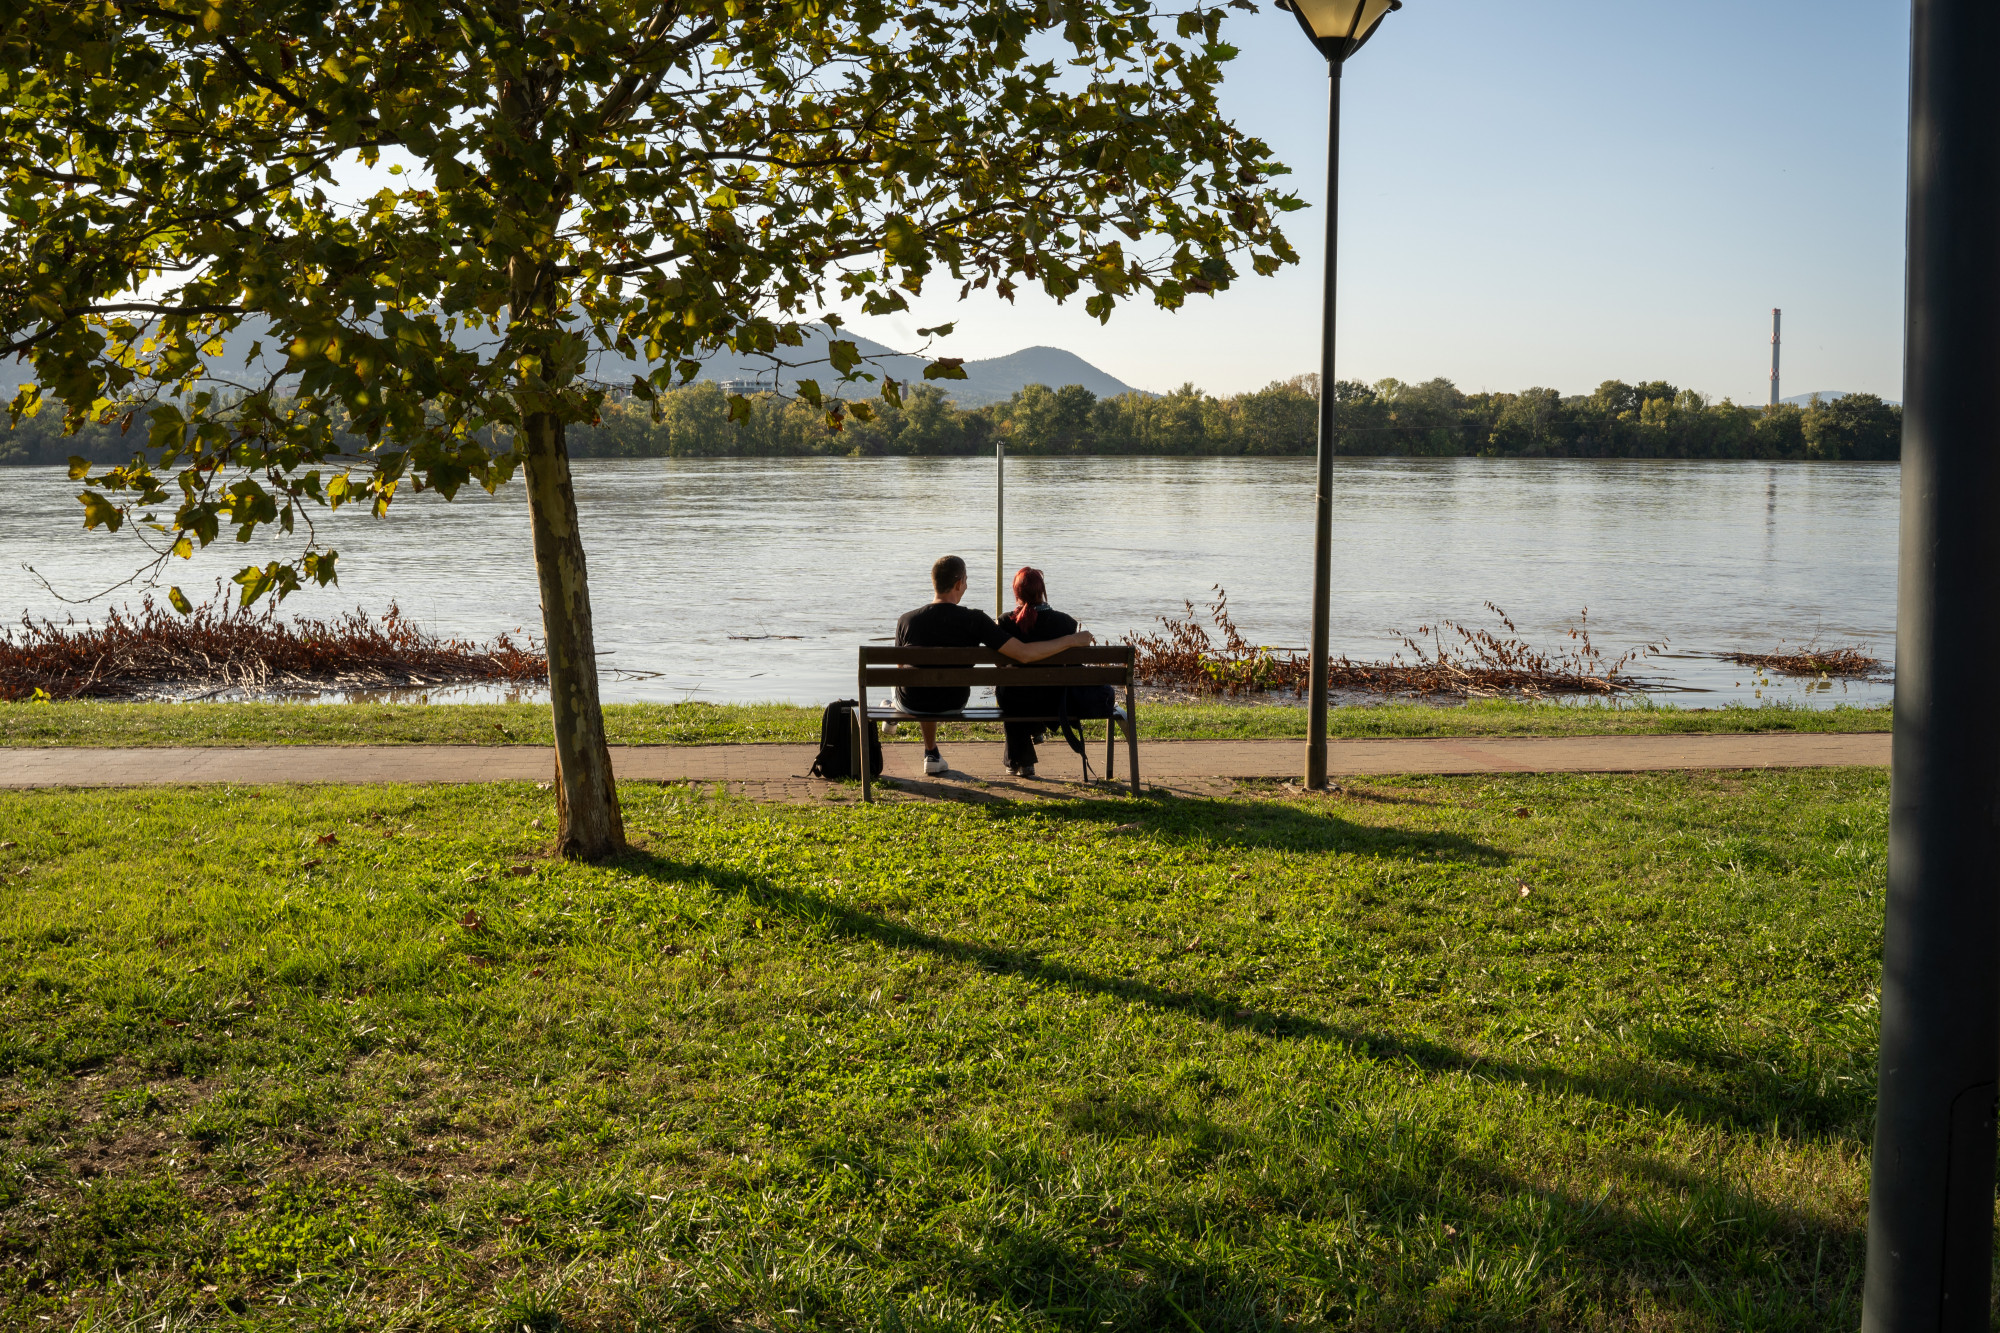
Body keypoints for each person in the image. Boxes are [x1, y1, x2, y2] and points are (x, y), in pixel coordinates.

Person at [896, 554, 1094, 776]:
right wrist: (1073, 640)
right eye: (967, 581)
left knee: (911, 684)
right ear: (960, 583)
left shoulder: (906, 620)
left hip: (912, 703)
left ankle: (929, 750)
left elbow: (901, 669)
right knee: (1007, 687)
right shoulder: (975, 620)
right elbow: (1023, 654)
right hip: (954, 701)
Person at [994, 566, 1082, 778]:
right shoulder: (1067, 623)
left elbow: (999, 666)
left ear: (1017, 593)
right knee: (1023, 690)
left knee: (1010, 690)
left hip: (1016, 699)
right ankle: (1034, 728)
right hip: (1053, 700)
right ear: (1042, 591)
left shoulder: (1005, 622)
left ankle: (1021, 761)